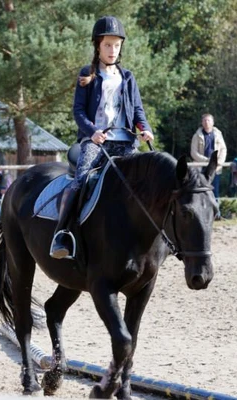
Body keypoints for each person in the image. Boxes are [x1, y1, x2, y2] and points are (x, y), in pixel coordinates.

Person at [50, 15, 154, 259]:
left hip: (126, 141)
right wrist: (92, 132)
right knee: (81, 178)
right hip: (97, 140)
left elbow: (137, 110)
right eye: (107, 45)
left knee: (145, 180)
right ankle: (63, 233)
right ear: (98, 45)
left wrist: (144, 127)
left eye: (116, 45)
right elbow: (78, 111)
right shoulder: (87, 74)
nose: (112, 50)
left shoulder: (127, 77)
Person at [190, 113, 227, 219]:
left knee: (215, 191)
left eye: (209, 120)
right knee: (201, 191)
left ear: (213, 122)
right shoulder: (197, 135)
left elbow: (223, 149)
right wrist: (207, 161)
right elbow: (193, 152)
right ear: (202, 122)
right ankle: (202, 214)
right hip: (201, 169)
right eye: (205, 120)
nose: (207, 122)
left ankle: (216, 214)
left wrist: (219, 161)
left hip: (215, 168)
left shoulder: (218, 134)